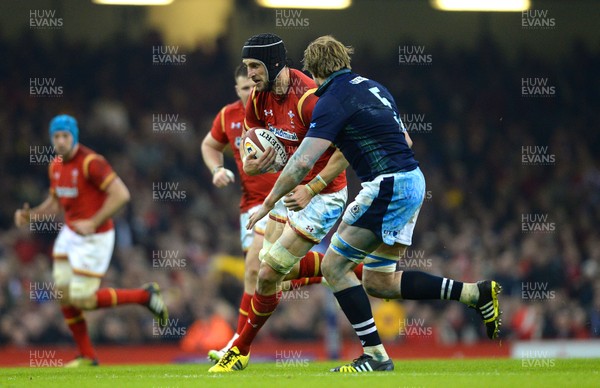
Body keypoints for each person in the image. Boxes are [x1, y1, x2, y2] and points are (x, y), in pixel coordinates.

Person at [245, 35, 502, 372]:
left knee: (334, 267)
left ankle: (376, 356)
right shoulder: (373, 87)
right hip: (411, 181)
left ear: (316, 71)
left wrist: (269, 202)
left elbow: (302, 163)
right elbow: (406, 139)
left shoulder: (331, 99)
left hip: (387, 185)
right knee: (379, 283)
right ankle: (474, 294)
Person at [208, 33, 350, 373]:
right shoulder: (259, 99)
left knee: (269, 270)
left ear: (274, 63)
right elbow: (252, 143)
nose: (251, 74)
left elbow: (347, 149)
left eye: (255, 66)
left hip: (323, 193)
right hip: (291, 191)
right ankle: (350, 269)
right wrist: (252, 160)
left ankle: (238, 350)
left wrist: (313, 187)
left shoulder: (310, 99)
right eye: (246, 67)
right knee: (267, 276)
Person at [14, 114, 168, 367]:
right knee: (64, 295)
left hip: (96, 236)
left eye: (65, 136)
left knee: (84, 299)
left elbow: (122, 194)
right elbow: (55, 203)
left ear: (74, 136)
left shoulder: (91, 163)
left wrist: (94, 221)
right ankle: (87, 355)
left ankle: (144, 296)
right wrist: (31, 216)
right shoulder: (55, 166)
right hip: (71, 234)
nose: (61, 141)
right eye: (56, 136)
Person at [201, 65, 325, 362]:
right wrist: (217, 169)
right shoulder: (228, 116)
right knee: (268, 278)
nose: (250, 93)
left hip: (280, 200)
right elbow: (209, 145)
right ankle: (341, 268)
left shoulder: (275, 108)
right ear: (236, 89)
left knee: (256, 269)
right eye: (244, 89)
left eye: (252, 87)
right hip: (249, 205)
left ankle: (237, 345)